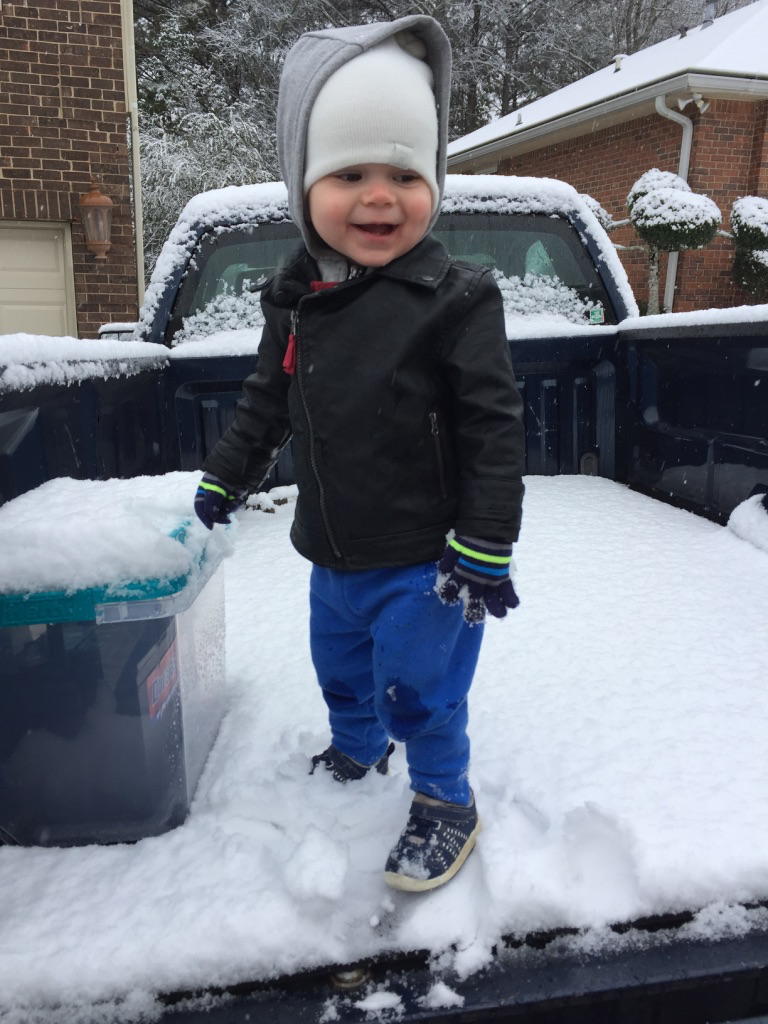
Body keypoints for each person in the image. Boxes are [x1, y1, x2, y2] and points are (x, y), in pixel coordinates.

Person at [194, 14, 526, 892]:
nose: (380, 198)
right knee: (341, 670)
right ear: (303, 187)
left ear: (433, 185)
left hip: (429, 559)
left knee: (422, 689)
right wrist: (227, 476)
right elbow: (268, 400)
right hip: (331, 552)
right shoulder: (296, 296)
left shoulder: (456, 298)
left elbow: (493, 426)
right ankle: (356, 747)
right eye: (350, 175)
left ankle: (446, 800)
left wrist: (486, 541)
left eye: (405, 175)